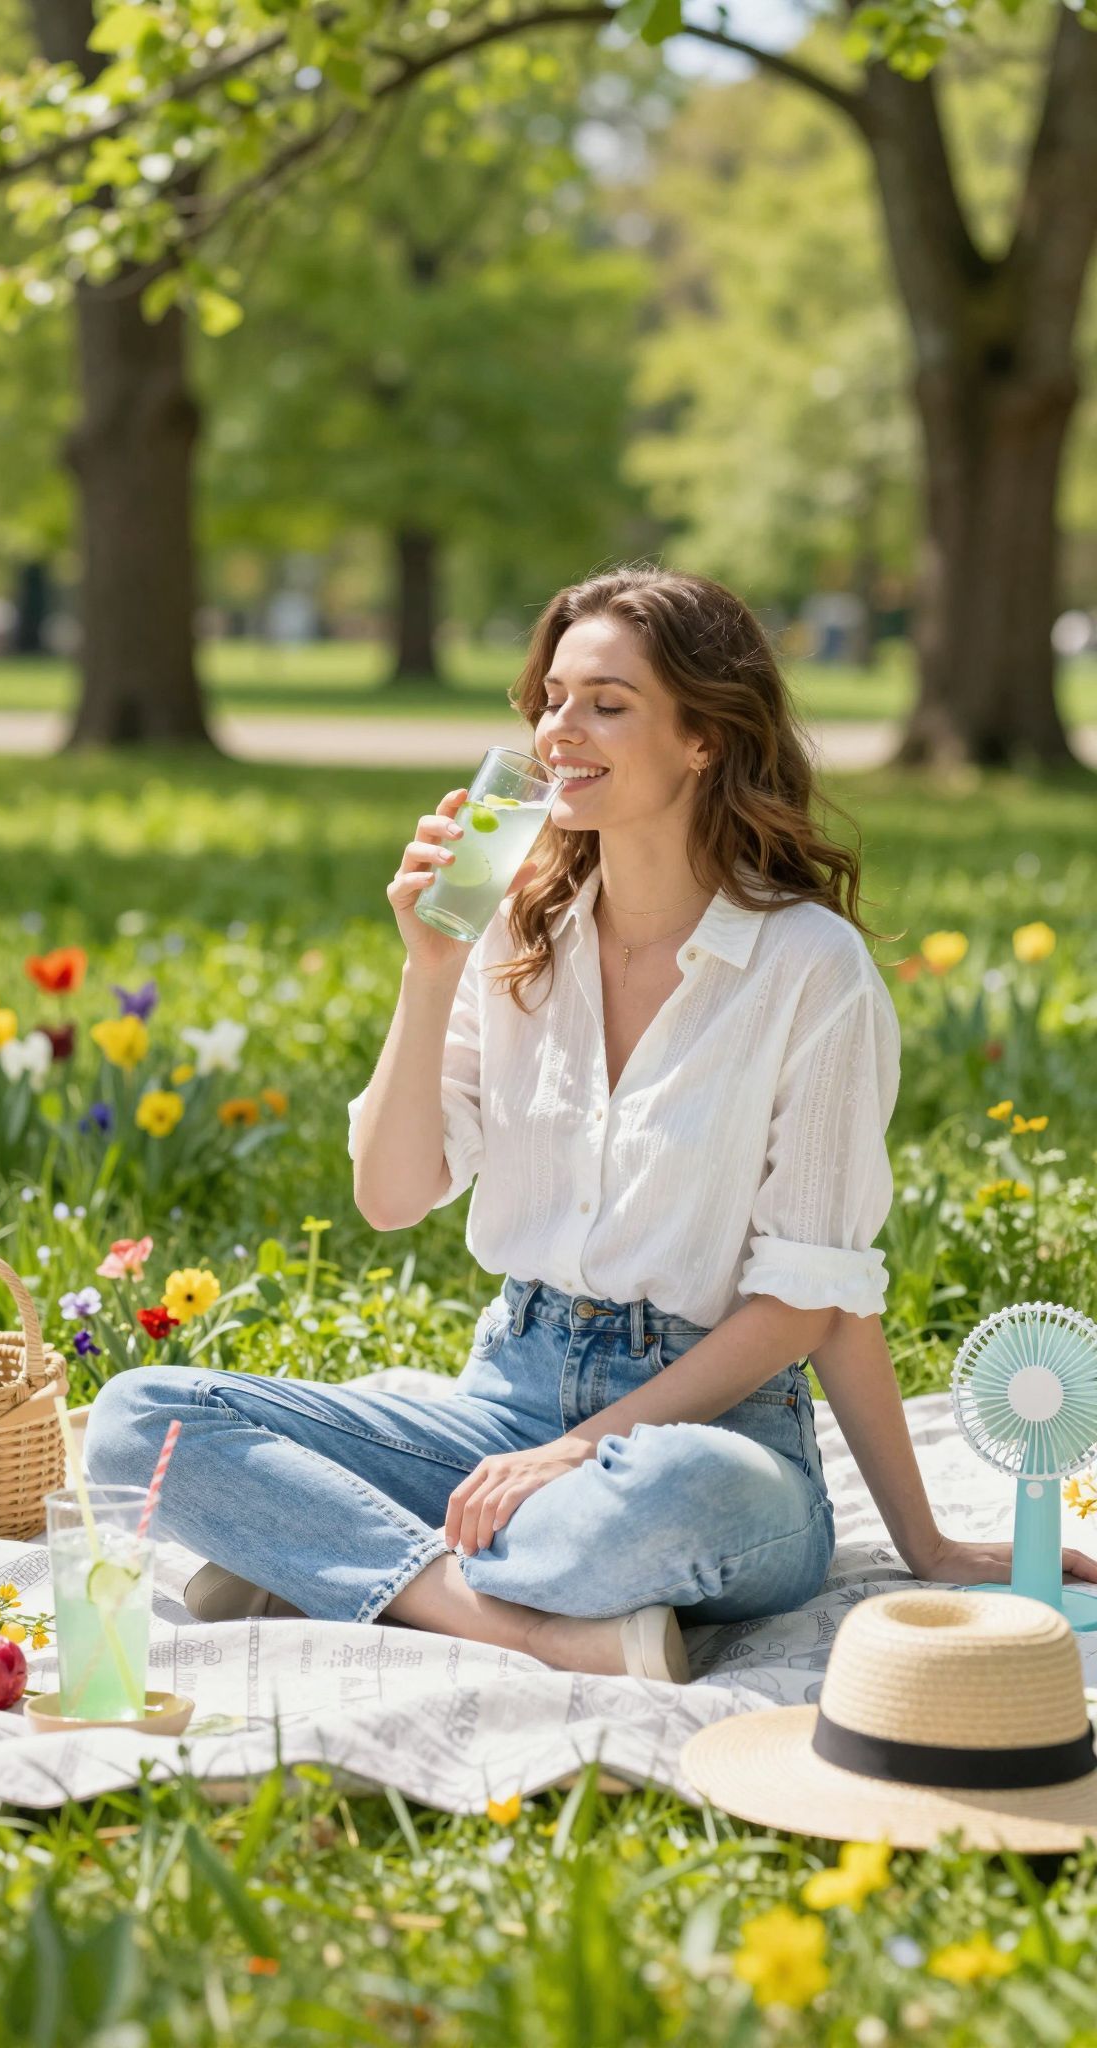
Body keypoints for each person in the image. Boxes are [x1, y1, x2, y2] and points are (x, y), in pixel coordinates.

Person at [83, 566, 1097, 1681]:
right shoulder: (515, 932)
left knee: (653, 1506)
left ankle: (333, 1558)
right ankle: (513, 1621)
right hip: (506, 1400)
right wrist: (429, 971)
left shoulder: (813, 970)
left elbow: (813, 1296)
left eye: (607, 702)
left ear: (705, 737)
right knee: (141, 1419)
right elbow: (390, 1195)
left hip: (712, 1439)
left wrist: (927, 1543)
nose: (561, 730)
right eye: (552, 698)